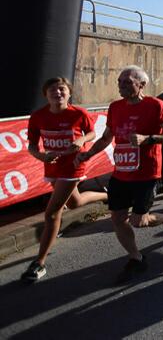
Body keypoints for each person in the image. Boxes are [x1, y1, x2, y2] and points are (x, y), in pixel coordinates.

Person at [75, 66, 163, 284]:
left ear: (141, 84)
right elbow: (106, 138)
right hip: (121, 173)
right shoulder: (115, 108)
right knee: (118, 218)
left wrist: (149, 139)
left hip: (147, 173)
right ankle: (136, 258)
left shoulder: (155, 105)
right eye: (119, 82)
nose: (121, 85)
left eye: (127, 81)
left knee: (139, 221)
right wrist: (88, 154)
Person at [21, 78, 108, 283]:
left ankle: (39, 263)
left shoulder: (78, 113)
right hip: (52, 166)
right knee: (74, 202)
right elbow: (32, 146)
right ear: (46, 94)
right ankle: (107, 195)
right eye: (52, 89)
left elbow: (92, 133)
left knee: (52, 213)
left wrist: (81, 140)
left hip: (73, 166)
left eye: (62, 89)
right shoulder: (38, 116)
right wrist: (42, 156)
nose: (57, 93)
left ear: (69, 94)